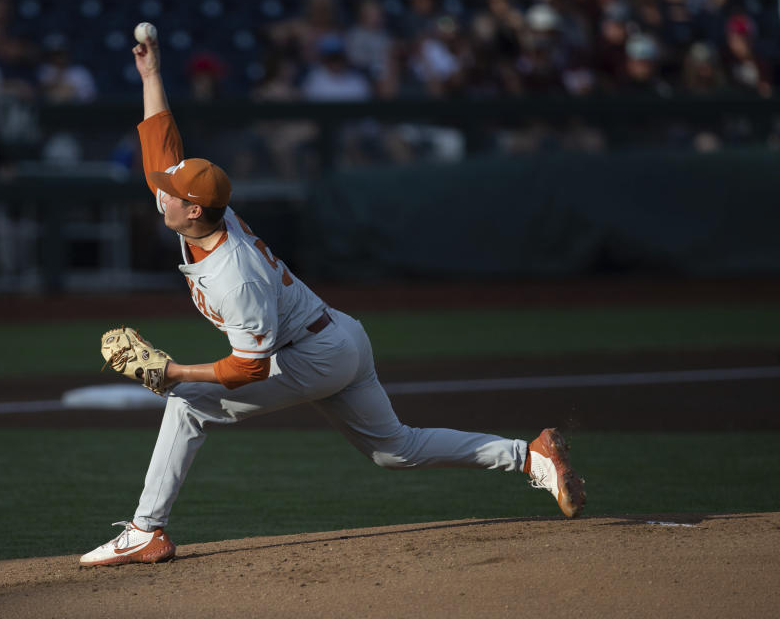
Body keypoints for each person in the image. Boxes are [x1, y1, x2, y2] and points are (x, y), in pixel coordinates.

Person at [79, 33, 587, 567]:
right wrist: (152, 75)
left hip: (312, 355)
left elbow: (250, 367)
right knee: (397, 450)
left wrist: (176, 372)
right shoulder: (206, 216)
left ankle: (147, 530)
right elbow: (162, 147)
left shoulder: (236, 277)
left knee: (186, 407)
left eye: (172, 192)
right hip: (339, 335)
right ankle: (529, 457)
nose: (160, 190)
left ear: (193, 211)